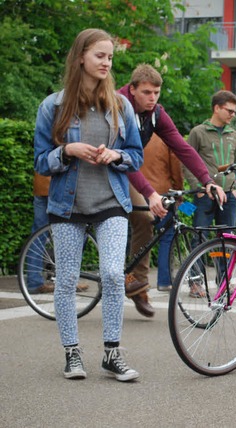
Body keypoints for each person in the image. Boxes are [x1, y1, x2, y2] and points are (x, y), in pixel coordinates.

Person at [34, 28, 144, 381]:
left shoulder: (121, 105)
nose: (107, 62)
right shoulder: (53, 106)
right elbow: (39, 162)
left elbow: (136, 156)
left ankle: (111, 354)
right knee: (66, 280)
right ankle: (73, 353)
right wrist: (67, 151)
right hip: (68, 206)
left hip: (111, 200)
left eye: (110, 57)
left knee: (113, 274)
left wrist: (116, 155)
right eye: (100, 55)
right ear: (81, 56)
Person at [117, 64, 226, 317]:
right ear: (132, 90)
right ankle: (118, 274)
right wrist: (150, 193)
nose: (152, 98)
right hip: (106, 169)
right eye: (146, 92)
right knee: (132, 217)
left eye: (156, 92)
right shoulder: (117, 108)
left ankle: (135, 283)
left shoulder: (155, 114)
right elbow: (122, 158)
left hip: (126, 170)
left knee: (145, 218)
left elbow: (182, 147)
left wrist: (206, 180)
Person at [185, 90, 236, 232]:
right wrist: (197, 188)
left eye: (234, 112)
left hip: (229, 195)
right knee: (199, 237)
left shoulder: (234, 135)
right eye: (229, 111)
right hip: (206, 193)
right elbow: (186, 162)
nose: (233, 115)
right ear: (217, 108)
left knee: (228, 240)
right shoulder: (198, 132)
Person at [139, 133, 184, 291]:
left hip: (138, 193)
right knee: (167, 237)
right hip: (162, 194)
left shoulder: (136, 133)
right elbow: (175, 166)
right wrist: (179, 190)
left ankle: (133, 280)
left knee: (138, 239)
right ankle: (164, 281)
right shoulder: (165, 137)